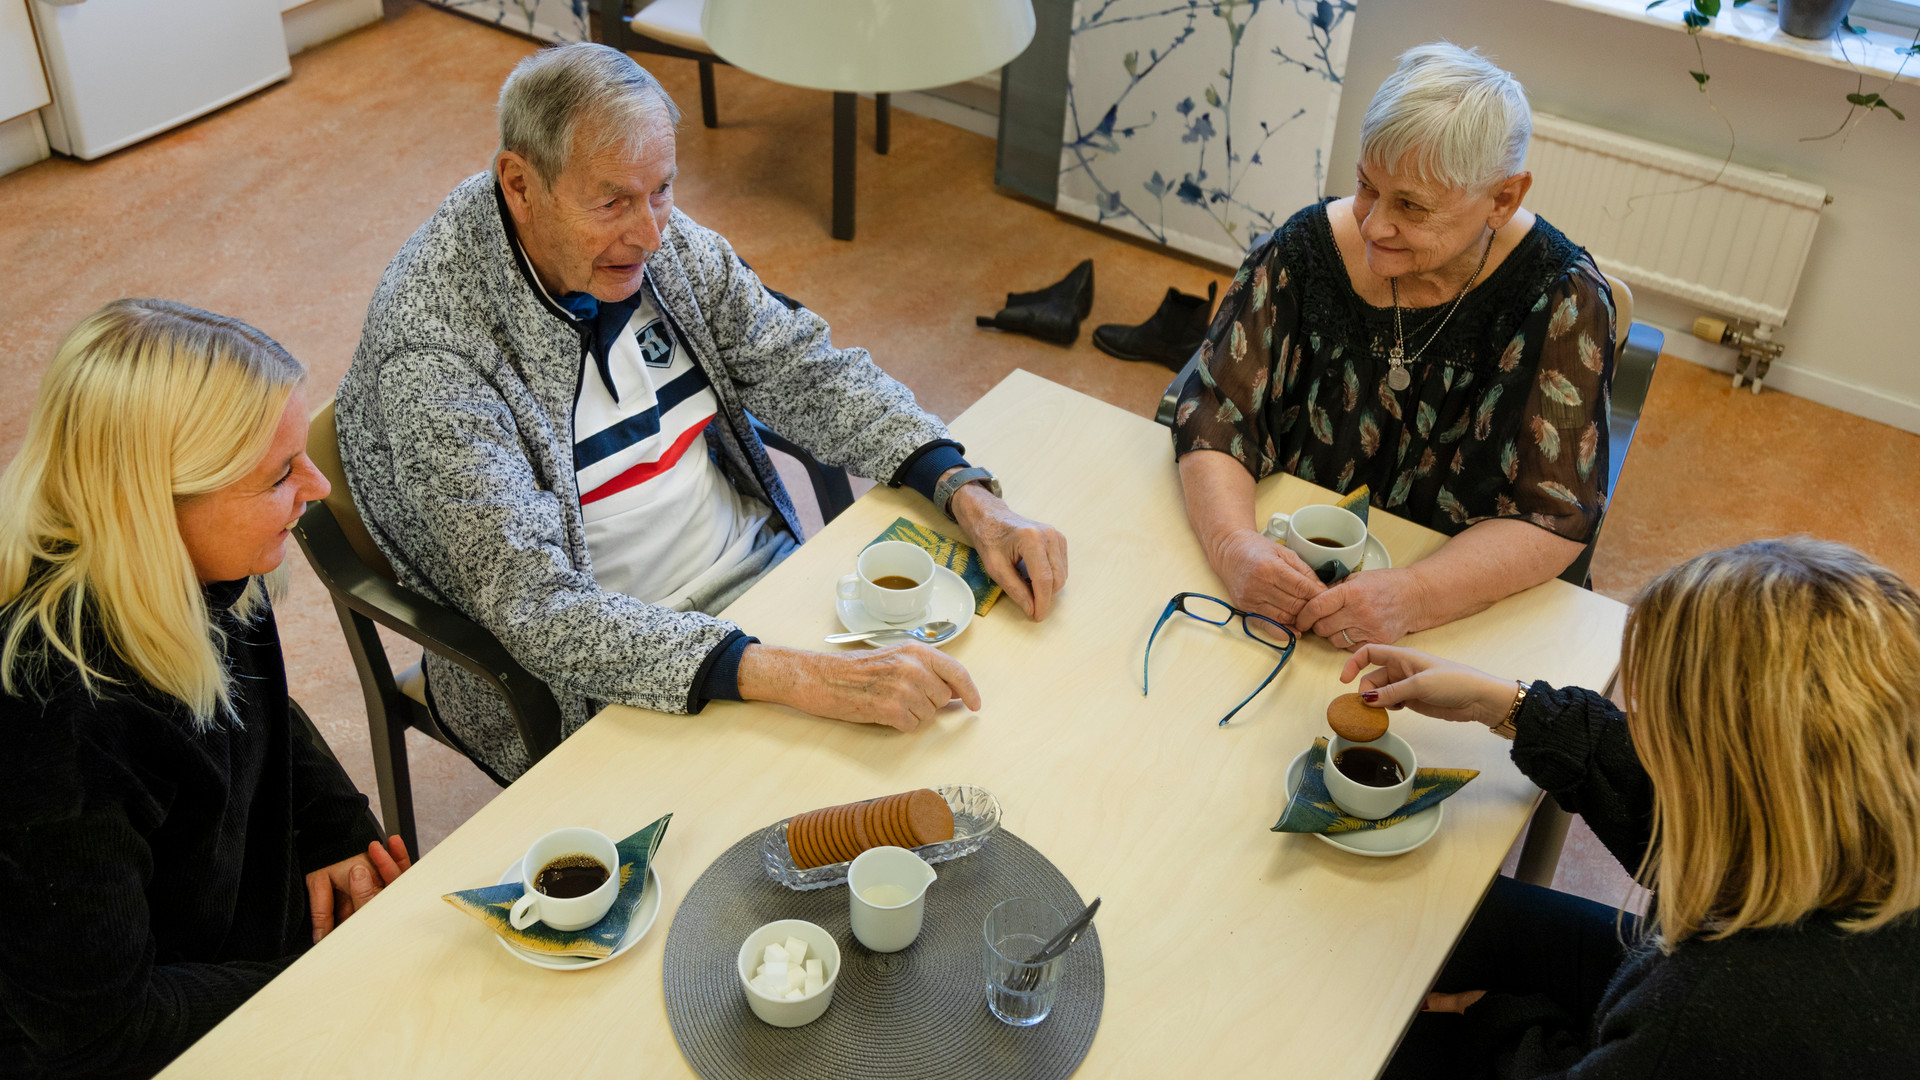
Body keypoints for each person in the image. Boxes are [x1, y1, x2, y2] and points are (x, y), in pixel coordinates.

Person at [334, 43, 1069, 782]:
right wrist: (803, 678)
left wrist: (966, 493)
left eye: (663, 190)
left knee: (985, 724)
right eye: (614, 201)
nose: (653, 235)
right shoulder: (433, 353)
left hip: (758, 585)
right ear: (521, 186)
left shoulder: (651, 240)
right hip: (597, 674)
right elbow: (541, 611)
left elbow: (803, 367)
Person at [0, 300, 412, 1079]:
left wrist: (332, 826)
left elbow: (258, 707)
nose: (319, 487)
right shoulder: (49, 732)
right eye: (280, 474)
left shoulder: (199, 569)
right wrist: (330, 981)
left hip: (233, 948)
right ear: (155, 506)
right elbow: (99, 1030)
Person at [1344, 537, 1920, 1077]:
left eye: (1660, 722)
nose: (1637, 730)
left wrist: (1500, 1024)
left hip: (1695, 1021)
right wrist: (1507, 703)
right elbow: (1663, 802)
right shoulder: (1857, 814)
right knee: (1453, 908)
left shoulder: (1721, 1005)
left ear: (1736, 780)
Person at [1174, 43, 1613, 652]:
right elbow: (1213, 416)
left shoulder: (1563, 299)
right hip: (1285, 596)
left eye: (1411, 205)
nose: (1374, 224)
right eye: (1365, 185)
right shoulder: (1304, 252)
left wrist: (1417, 596)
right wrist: (1234, 547)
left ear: (1503, 200)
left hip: (1456, 619)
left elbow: (1555, 511)